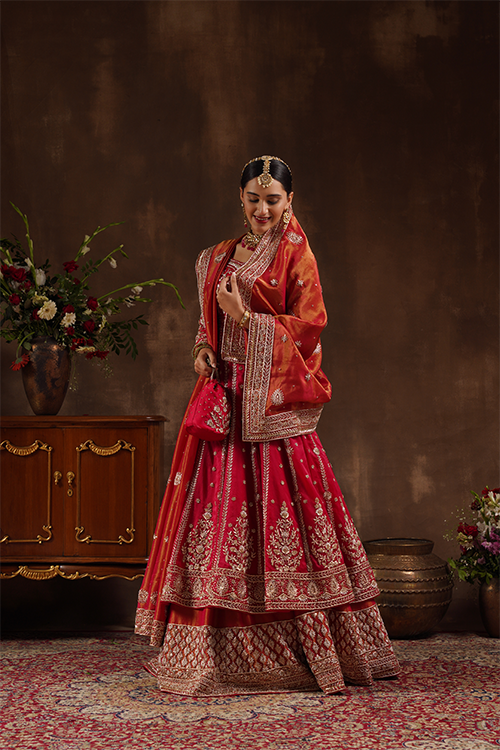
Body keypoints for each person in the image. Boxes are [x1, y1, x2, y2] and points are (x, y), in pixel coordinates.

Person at [135, 155, 400, 695]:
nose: (262, 209)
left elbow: (309, 329)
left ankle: (311, 652)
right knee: (213, 523)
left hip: (272, 410)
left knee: (287, 525)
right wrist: (205, 348)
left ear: (290, 202)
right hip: (223, 408)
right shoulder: (218, 257)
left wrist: (247, 323)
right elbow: (205, 325)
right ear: (240, 198)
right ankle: (206, 654)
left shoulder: (297, 256)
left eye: (273, 200)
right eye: (253, 200)